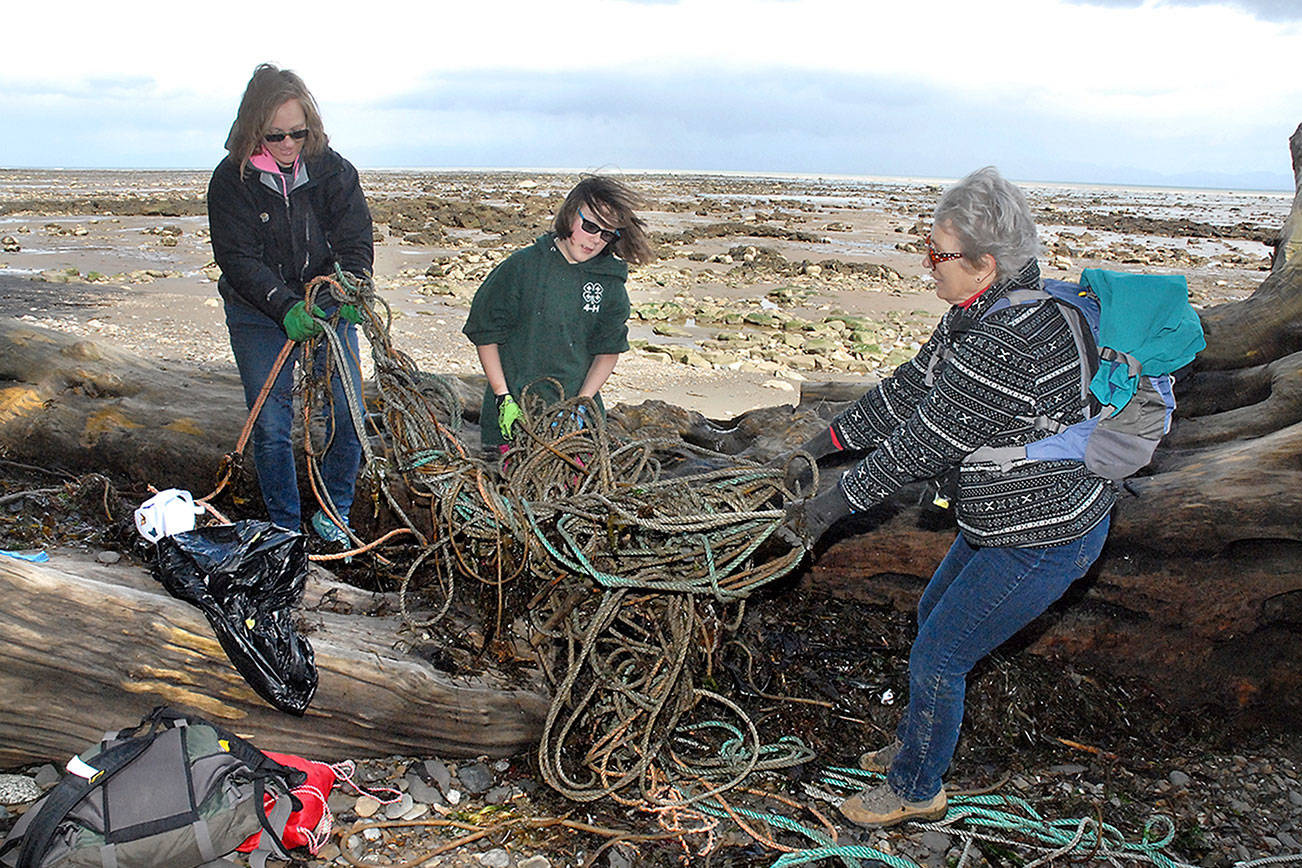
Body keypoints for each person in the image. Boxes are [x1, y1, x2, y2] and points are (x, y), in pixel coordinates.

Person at [778, 167, 1115, 828]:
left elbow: (916, 449)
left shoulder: (1003, 344)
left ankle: (916, 788)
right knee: (934, 615)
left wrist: (819, 514)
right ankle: (919, 744)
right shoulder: (980, 312)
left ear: (984, 264)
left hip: (1045, 536)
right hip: (1007, 516)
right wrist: (821, 444)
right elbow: (908, 390)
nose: (926, 265)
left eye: (938, 253)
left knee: (941, 653)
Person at [207, 63, 373, 544]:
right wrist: (283, 307)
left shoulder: (334, 171)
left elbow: (355, 239)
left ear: (310, 128)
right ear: (253, 130)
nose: (286, 145)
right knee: (272, 423)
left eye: (296, 134)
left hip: (327, 305)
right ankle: (283, 526)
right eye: (274, 135)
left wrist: (352, 286)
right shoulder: (229, 181)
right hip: (257, 311)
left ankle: (334, 513)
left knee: (350, 414)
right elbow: (237, 259)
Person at [462, 175, 654, 451]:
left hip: (575, 424)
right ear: (569, 213)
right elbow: (485, 334)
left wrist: (582, 405)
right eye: (589, 226)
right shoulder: (523, 267)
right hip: (512, 415)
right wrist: (502, 396)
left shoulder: (610, 282)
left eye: (607, 234)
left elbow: (608, 350)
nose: (595, 240)